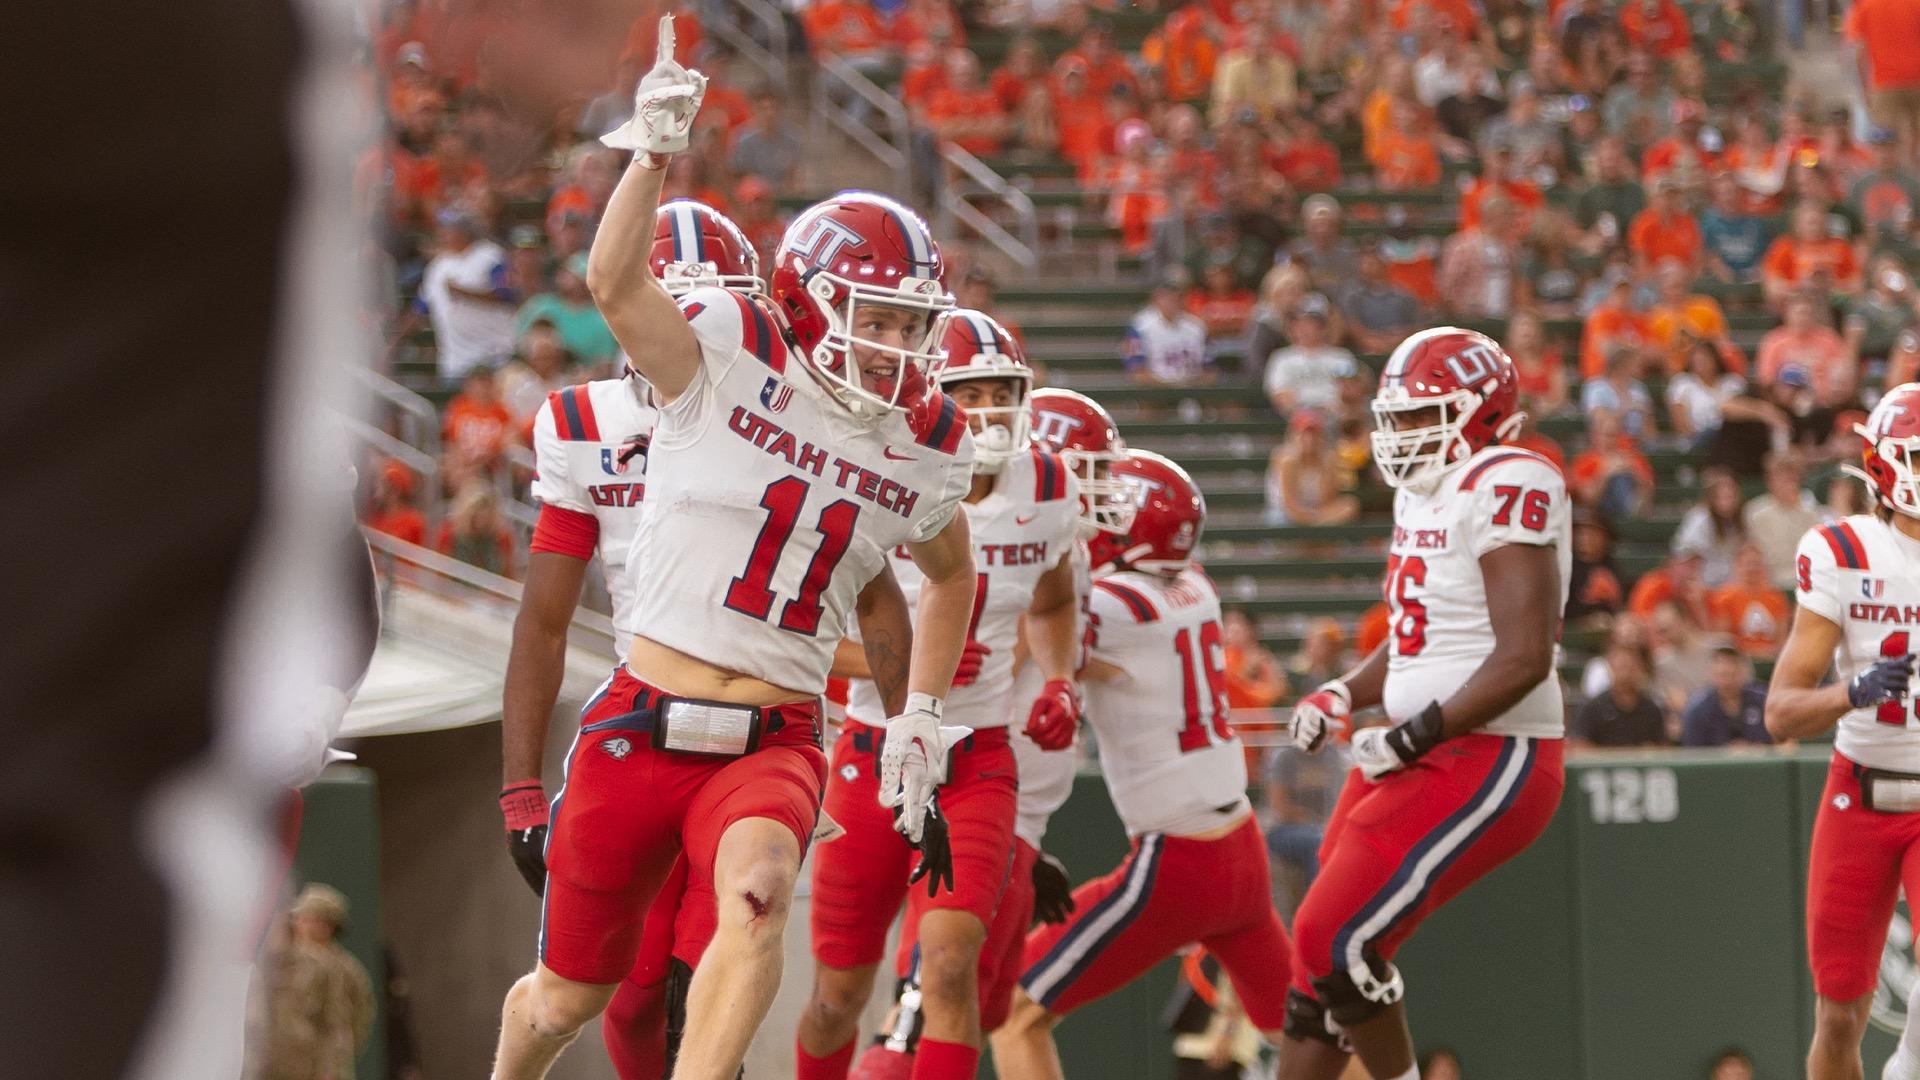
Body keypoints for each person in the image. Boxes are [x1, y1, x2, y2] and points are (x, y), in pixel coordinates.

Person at [491, 34, 979, 1080]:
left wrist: (919, 721)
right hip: (641, 718)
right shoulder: (725, 349)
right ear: (807, 298)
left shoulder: (923, 441)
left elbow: (945, 577)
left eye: (912, 323)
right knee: (565, 999)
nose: (900, 346)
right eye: (879, 317)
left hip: (775, 736)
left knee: (757, 896)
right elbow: (616, 283)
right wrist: (652, 153)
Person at [798, 312, 1084, 1080]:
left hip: (977, 756)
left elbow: (1054, 603)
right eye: (972, 390)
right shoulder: (883, 471)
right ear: (932, 391)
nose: (990, 408)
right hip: (873, 752)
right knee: (837, 994)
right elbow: (805, 639)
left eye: (1003, 390)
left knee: (951, 966)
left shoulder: (1049, 484)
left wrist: (1057, 675)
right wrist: (909, 670)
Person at [1279, 328, 1568, 1080]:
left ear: (1481, 410)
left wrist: (1412, 737)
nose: (1403, 434)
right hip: (1421, 744)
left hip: (1491, 750)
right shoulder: (1427, 490)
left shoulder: (1510, 477)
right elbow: (1419, 637)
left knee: (1336, 937)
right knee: (1315, 967)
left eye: (1422, 415)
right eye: (1397, 417)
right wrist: (1345, 689)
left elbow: (1524, 657)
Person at [996, 451, 1297, 1079]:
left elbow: (1025, 638)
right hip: (1240, 843)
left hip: (1181, 860)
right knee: (1304, 1032)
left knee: (1013, 1006)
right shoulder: (1196, 585)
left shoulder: (1114, 606)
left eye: (1104, 508)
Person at [1766, 383, 1920, 1080]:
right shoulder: (1844, 550)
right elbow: (1780, 713)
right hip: (1857, 793)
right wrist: (1851, 691)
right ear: (1887, 466)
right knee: (1836, 1017)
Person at [247, 885, 374, 1080]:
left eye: (312, 919)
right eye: (301, 918)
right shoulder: (279, 962)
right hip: (276, 1065)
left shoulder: (343, 969)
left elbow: (346, 1022)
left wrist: (332, 1064)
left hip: (318, 1067)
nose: (303, 924)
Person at [418, 206, 518, 380]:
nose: (443, 233)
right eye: (443, 229)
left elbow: (507, 295)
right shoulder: (437, 266)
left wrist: (464, 293)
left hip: (495, 356)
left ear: (465, 231)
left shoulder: (490, 255)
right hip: (455, 361)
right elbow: (420, 308)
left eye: (449, 229)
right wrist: (394, 343)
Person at [515, 252, 621, 369]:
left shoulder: (600, 320)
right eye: (571, 274)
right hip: (531, 373)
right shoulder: (541, 304)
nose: (574, 282)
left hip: (575, 376)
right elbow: (519, 342)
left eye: (579, 277)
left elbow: (605, 362)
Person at [1264, 296, 1360, 415]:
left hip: (1335, 417)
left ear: (1323, 327)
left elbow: (1351, 392)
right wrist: (1307, 411)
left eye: (1312, 323)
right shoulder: (1282, 358)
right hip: (1299, 419)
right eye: (1300, 323)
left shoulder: (1341, 357)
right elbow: (1281, 396)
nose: (1306, 328)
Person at [1266, 410, 1361, 527]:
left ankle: (1317, 536)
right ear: (1294, 435)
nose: (1309, 439)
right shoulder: (1286, 459)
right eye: (1304, 433)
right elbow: (1289, 504)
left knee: (1349, 505)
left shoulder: (1328, 459)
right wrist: (1314, 520)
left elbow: (1328, 500)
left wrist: (1318, 518)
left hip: (1318, 513)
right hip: (1286, 515)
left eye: (1314, 433)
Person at [1745, 451, 1824, 590]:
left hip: (1805, 580)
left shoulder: (1810, 513)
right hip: (1769, 582)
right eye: (1781, 478)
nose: (1787, 484)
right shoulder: (1755, 512)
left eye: (1792, 479)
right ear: (1770, 481)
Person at [1126, 272, 1214, 386]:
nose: (1170, 302)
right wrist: (1168, 386)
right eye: (1165, 297)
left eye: (1175, 297)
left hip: (1193, 386)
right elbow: (1137, 372)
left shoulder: (1196, 326)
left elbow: (1210, 369)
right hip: (1156, 389)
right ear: (1155, 299)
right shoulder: (1140, 326)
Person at [1571, 643, 1669, 747]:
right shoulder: (1593, 708)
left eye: (1631, 667)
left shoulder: (1651, 710)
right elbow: (1581, 746)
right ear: (1611, 668)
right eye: (1622, 667)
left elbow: (1662, 748)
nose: (1626, 673)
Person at [1707, 543, 1790, 658]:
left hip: (1772, 657)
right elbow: (1724, 639)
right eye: (1747, 564)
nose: (1752, 568)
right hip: (1738, 659)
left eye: (1756, 564)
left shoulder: (1776, 597)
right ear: (1737, 566)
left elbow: (1782, 638)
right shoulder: (1724, 597)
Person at [1571, 408, 1655, 520]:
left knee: (1623, 477)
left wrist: (1632, 471)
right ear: (1595, 435)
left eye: (1615, 435)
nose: (1612, 440)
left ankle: (1631, 513)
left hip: (1629, 506)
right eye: (1608, 435)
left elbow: (1648, 487)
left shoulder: (1630, 457)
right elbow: (1588, 499)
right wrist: (1606, 473)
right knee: (1616, 478)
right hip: (1599, 515)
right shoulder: (1584, 461)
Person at [1672, 467, 1748, 587]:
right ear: (1711, 497)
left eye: (1730, 495)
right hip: (1703, 581)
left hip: (1732, 582)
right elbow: (1687, 557)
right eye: (1721, 496)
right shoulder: (1699, 518)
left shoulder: (1743, 518)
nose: (1726, 501)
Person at [1681, 645, 1770, 746]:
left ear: (1743, 672)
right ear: (1711, 673)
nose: (1727, 681)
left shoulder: (1763, 701)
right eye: (1722, 675)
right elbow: (1693, 752)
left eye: (1732, 674)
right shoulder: (1698, 709)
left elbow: (1778, 742)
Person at [1566, 509, 1626, 625]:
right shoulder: (1567, 567)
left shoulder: (1612, 566)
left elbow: (1620, 604)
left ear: (1605, 537)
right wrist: (1587, 620)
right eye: (1581, 533)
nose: (1585, 538)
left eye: (1592, 533)